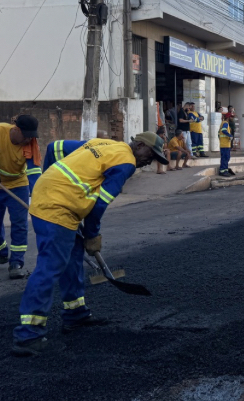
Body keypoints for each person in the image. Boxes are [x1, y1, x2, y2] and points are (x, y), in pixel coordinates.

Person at [11, 133, 168, 356]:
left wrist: (48, 181)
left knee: (73, 260)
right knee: (50, 267)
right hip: (58, 206)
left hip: (59, 199)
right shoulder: (127, 163)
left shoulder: (103, 144)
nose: (149, 162)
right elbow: (100, 205)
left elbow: (56, 146)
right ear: (140, 145)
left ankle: (75, 315)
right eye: (150, 155)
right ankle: (28, 335)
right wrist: (92, 236)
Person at [0, 115, 41, 279]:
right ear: (16, 129)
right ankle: (0, 253)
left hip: (18, 186)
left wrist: (39, 195)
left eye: (31, 136)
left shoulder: (31, 144)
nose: (29, 139)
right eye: (26, 135)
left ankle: (16, 262)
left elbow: (33, 172)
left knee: (19, 224)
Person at [218, 108, 235, 177]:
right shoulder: (225, 123)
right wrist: (230, 135)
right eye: (231, 117)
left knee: (226, 158)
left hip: (224, 144)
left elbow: (219, 134)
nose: (232, 118)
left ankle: (225, 170)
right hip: (225, 145)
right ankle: (223, 171)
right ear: (228, 117)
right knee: (225, 158)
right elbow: (224, 130)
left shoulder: (224, 123)